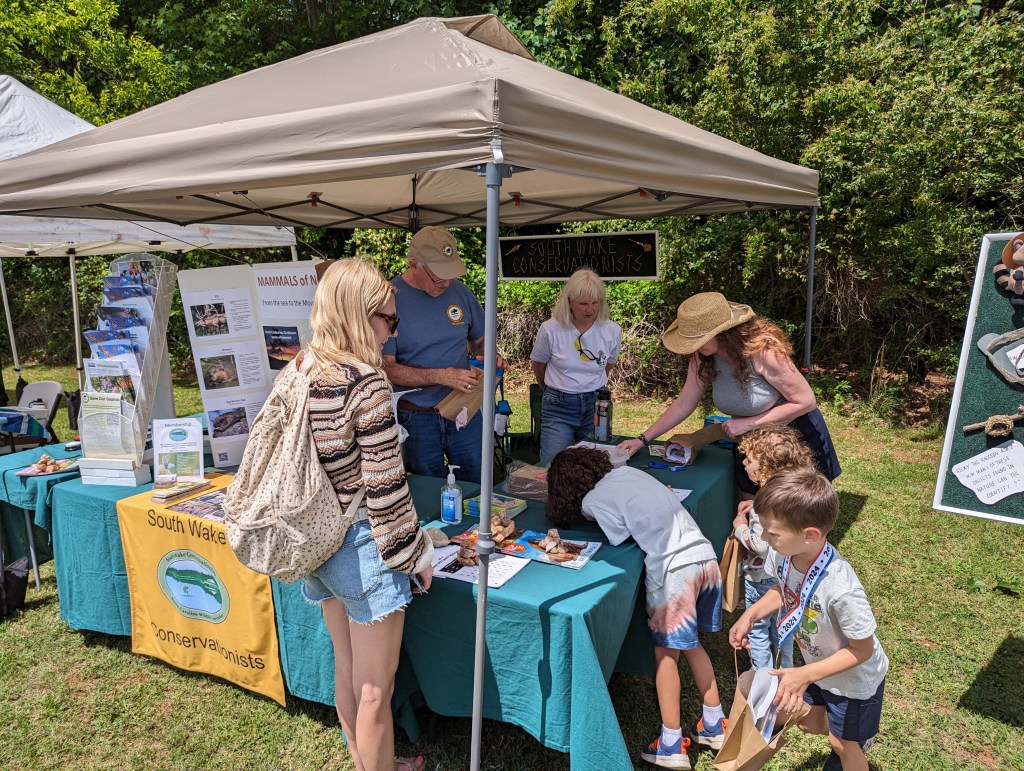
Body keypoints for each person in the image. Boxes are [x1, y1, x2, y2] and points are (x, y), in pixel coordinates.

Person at [301, 259, 434, 771]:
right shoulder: (368, 382)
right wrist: (414, 554)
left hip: (318, 536)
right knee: (377, 686)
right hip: (362, 542)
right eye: (389, 319)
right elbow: (384, 487)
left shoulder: (303, 368)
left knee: (347, 668)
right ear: (361, 315)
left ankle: (368, 763)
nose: (393, 331)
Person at [547, 447, 726, 770]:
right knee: (692, 645)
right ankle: (714, 722)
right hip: (704, 558)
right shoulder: (629, 472)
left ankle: (671, 743)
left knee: (666, 657)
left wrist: (588, 514)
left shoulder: (591, 501)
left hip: (674, 572)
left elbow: (619, 535)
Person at [729, 468, 887, 771]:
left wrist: (804, 675)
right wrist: (751, 614)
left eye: (772, 533)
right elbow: (782, 588)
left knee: (841, 745)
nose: (763, 538)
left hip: (853, 680)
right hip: (817, 668)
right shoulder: (784, 553)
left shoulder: (841, 589)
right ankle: (852, 732)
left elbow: (861, 650)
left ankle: (853, 743)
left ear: (810, 535)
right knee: (809, 724)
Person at [618, 292, 840, 497]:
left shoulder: (763, 351)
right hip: (750, 442)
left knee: (799, 510)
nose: (693, 347)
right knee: (754, 509)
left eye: (698, 340)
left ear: (723, 333)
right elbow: (684, 403)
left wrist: (747, 424)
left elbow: (806, 401)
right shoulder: (702, 357)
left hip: (794, 440)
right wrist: (642, 439)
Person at [382, 226, 503, 484]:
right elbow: (387, 368)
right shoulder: (389, 299)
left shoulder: (460, 292)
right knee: (428, 491)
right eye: (438, 276)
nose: (445, 283)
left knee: (479, 483)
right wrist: (442, 376)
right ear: (413, 264)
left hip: (464, 407)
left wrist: (489, 354)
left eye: (450, 274)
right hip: (416, 417)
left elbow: (480, 340)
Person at [732, 424, 817, 671]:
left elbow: (759, 545)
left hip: (761, 577)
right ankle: (784, 669)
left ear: (766, 468)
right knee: (784, 626)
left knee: (757, 629)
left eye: (749, 460)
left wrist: (740, 527)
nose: (745, 464)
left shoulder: (764, 505)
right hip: (787, 576)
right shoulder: (789, 496)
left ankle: (764, 677)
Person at [530, 268, 622, 464]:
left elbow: (608, 365)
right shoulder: (550, 329)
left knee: (593, 464)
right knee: (553, 464)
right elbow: (538, 364)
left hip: (596, 405)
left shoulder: (612, 330)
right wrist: (549, 388)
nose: (590, 310)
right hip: (558, 406)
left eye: (595, 303)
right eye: (583, 304)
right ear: (569, 302)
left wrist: (592, 385)